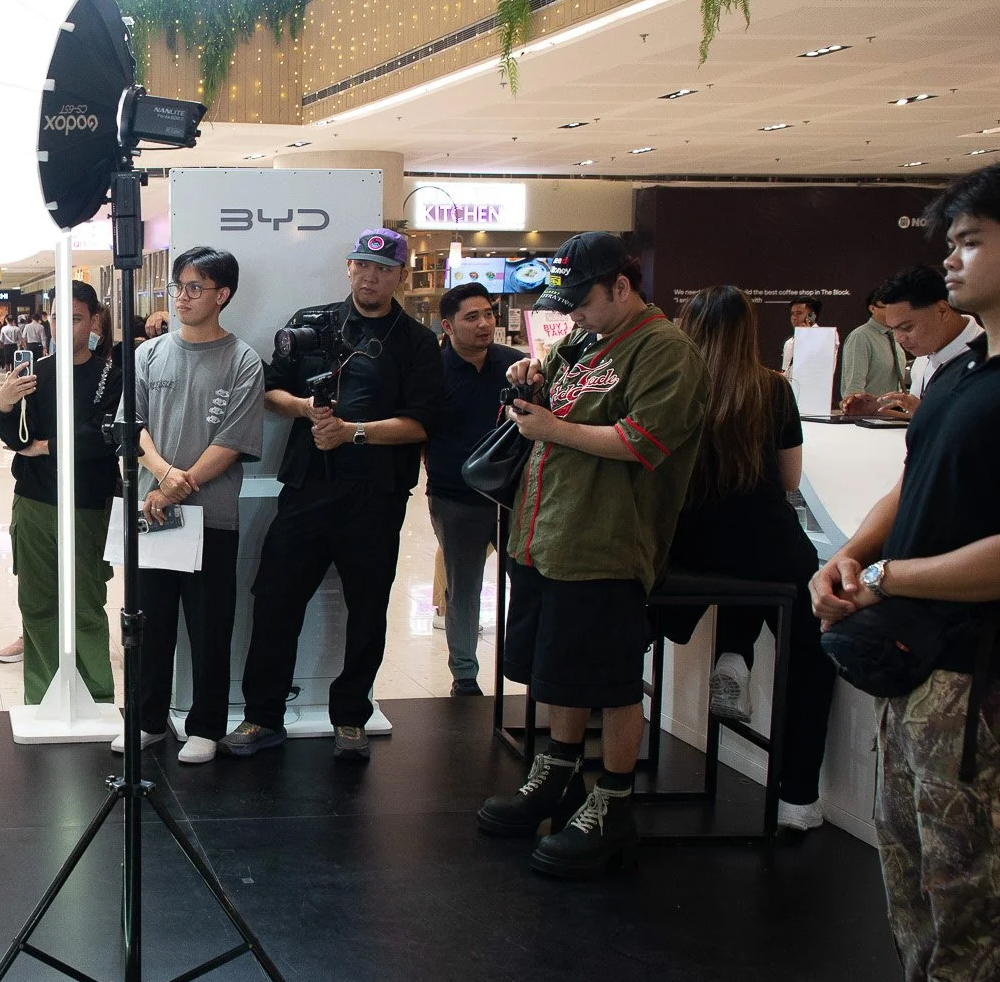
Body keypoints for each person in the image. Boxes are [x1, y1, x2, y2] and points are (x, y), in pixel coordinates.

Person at [811, 162, 1000, 982]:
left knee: (975, 882)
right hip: (920, 662)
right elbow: (913, 479)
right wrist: (847, 552)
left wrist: (888, 576)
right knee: (913, 857)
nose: (951, 256)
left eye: (970, 238)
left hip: (983, 675)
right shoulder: (962, 371)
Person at [474, 232, 708, 880]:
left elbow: (644, 440)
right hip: (547, 531)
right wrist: (531, 375)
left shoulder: (666, 351)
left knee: (608, 677)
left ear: (622, 286)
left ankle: (613, 800)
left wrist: (554, 428)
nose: (573, 311)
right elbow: (560, 393)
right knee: (558, 669)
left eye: (583, 299)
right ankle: (558, 769)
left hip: (607, 542)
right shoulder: (585, 339)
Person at [228, 228, 444, 762]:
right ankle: (261, 715)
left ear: (399, 275)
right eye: (361, 266)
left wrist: (354, 432)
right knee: (275, 600)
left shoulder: (416, 341)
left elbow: (422, 422)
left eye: (383, 269)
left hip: (377, 494)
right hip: (306, 487)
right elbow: (269, 389)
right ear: (348, 268)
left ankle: (351, 718)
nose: (370, 277)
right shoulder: (311, 323)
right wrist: (304, 408)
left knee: (367, 609)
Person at [658, 287, 836, 832]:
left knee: (730, 575)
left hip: (681, 548)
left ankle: (734, 656)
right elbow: (787, 481)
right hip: (764, 544)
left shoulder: (668, 383)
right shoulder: (773, 391)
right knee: (812, 647)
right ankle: (797, 798)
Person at [123, 247, 265, 762]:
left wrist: (178, 485)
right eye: (178, 287)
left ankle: (206, 725)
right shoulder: (147, 354)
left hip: (212, 517)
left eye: (194, 288)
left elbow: (232, 441)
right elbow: (130, 425)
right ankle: (148, 720)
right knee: (149, 621)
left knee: (209, 624)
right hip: (152, 513)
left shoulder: (243, 360)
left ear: (222, 295)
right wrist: (161, 477)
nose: (181, 297)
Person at [0, 280, 121, 710]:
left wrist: (47, 445)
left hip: (86, 505)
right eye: (58, 318)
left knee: (85, 604)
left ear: (94, 321)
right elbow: (14, 438)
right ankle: (42, 698)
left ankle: (98, 698)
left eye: (77, 318)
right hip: (34, 501)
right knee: (38, 604)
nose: (67, 327)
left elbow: (102, 438)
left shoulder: (110, 377)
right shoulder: (35, 372)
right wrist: (5, 406)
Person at [421, 282, 525, 698]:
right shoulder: (430, 371)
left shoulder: (515, 365)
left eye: (488, 314)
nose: (484, 324)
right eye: (472, 317)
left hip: (515, 497)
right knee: (463, 586)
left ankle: (528, 664)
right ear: (447, 325)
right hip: (455, 497)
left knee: (529, 579)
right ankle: (464, 675)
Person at [860, 266, 985, 413]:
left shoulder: (990, 358)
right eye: (893, 329)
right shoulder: (923, 355)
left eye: (907, 327)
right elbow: (918, 418)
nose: (899, 338)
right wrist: (878, 409)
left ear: (942, 311)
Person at [840, 284, 910, 401]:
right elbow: (854, 388)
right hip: (868, 415)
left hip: (893, 414)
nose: (894, 311)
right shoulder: (860, 337)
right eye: (888, 306)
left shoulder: (893, 337)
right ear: (872, 308)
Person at [780, 297, 818, 376]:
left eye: (799, 313)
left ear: (812, 316)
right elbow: (786, 372)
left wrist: (808, 336)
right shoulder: (789, 343)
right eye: (792, 314)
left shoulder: (827, 338)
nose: (794, 318)